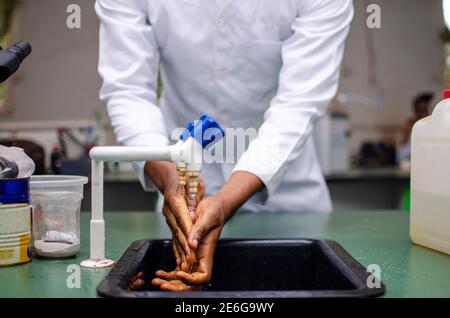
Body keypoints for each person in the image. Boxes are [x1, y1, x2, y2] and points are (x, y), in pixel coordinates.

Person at [96, 0, 354, 291]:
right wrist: (170, 177)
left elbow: (299, 103)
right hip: (182, 205)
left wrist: (225, 200)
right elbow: (128, 91)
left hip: (291, 203)